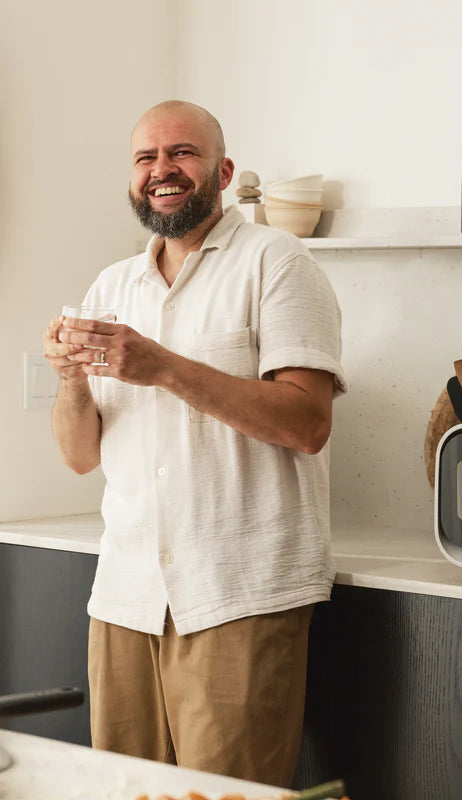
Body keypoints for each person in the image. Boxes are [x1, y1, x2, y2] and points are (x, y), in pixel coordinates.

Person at [42, 100, 347, 788]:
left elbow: (307, 423)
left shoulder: (279, 263)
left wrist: (165, 368)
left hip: (237, 595)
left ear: (223, 170)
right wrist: (70, 380)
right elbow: (80, 455)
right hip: (124, 599)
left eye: (181, 153)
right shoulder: (111, 286)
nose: (162, 171)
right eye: (146, 158)